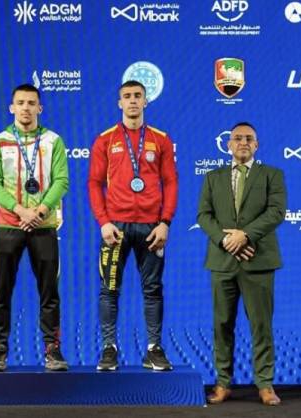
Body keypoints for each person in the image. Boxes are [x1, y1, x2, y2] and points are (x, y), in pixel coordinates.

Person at [88, 80, 178, 371]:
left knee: (153, 289)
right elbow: (94, 183)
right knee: (109, 289)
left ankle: (153, 349)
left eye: (138, 96)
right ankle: (109, 348)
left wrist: (165, 222)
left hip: (151, 228)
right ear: (120, 103)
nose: (132, 101)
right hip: (116, 228)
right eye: (127, 96)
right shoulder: (105, 139)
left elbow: (170, 182)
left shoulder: (161, 139)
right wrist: (104, 222)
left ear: (145, 101)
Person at [197, 122, 286, 406]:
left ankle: (265, 384)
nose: (243, 142)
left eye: (249, 138)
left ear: (256, 145)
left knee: (261, 326)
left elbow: (276, 212)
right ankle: (223, 383)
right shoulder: (212, 177)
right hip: (222, 261)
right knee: (222, 324)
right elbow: (204, 215)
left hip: (259, 261)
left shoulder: (272, 175)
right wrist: (226, 240)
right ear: (229, 145)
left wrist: (244, 236)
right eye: (238, 138)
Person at [0, 84, 69, 372]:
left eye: (31, 103)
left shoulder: (54, 141)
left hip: (44, 225)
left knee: (49, 292)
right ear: (12, 107)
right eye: (20, 102)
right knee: (2, 291)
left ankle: (52, 350)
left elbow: (61, 181)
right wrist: (21, 211)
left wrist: (40, 211)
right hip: (10, 225)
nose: (26, 108)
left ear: (39, 108)